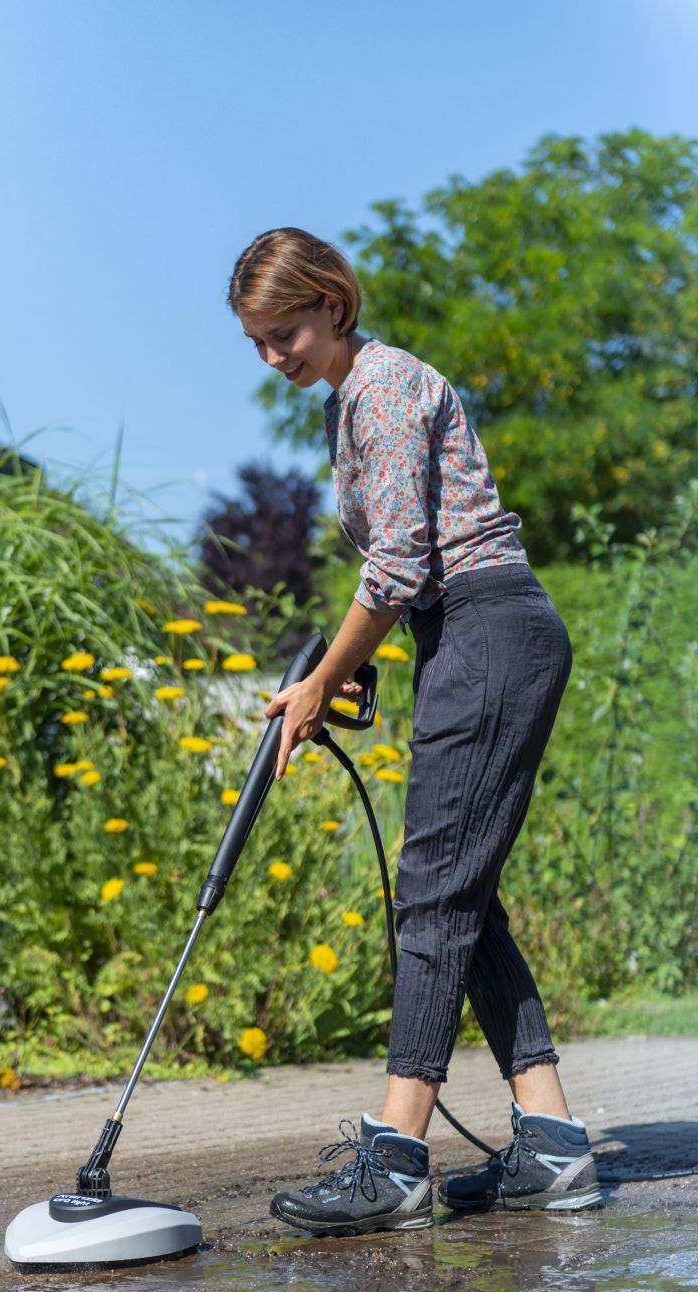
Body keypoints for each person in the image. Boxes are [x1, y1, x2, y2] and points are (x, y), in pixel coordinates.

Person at [226, 227, 601, 1235]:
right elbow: (412, 575)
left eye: (286, 331)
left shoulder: (383, 390)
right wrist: (353, 667)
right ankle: (554, 1146)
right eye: (258, 341)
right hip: (470, 631)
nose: (275, 356)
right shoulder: (357, 400)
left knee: (431, 895)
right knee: (462, 896)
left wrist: (317, 684)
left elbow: (394, 567)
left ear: (334, 305)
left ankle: (393, 1165)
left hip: (489, 632)